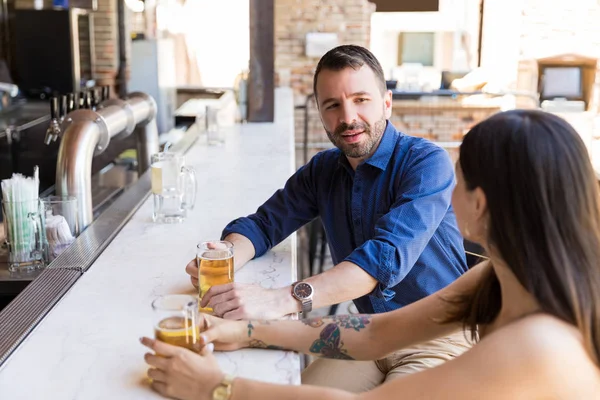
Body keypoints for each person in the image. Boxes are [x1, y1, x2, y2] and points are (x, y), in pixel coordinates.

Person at [143, 109, 600, 399]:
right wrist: (249, 331)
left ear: (479, 204)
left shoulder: (538, 344)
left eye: (461, 181)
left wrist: (216, 388)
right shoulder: (504, 277)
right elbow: (374, 332)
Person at [185, 44, 469, 387]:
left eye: (361, 100)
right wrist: (225, 255)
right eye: (332, 105)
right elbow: (264, 224)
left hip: (438, 336)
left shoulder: (426, 163)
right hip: (369, 331)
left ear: (387, 102)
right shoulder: (323, 170)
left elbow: (383, 259)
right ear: (320, 112)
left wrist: (278, 299)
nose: (347, 117)